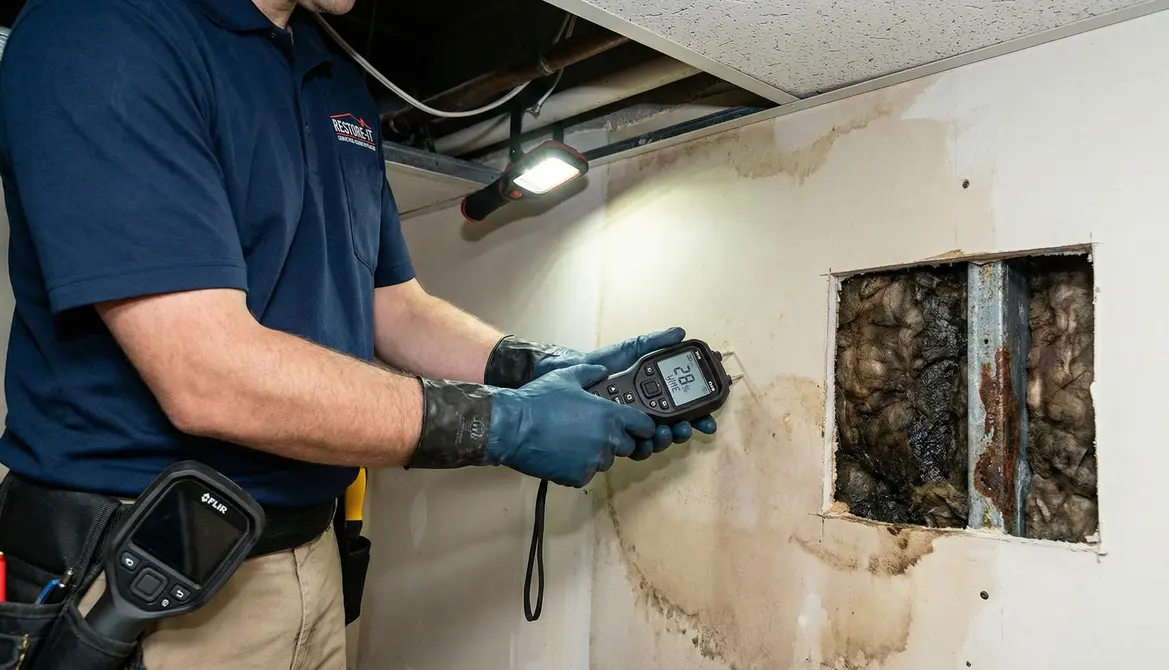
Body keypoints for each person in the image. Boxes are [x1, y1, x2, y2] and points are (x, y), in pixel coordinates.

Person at [0, 0, 718, 667]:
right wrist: (505, 424)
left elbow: (393, 308)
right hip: (152, 573)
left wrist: (537, 369)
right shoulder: (103, 28)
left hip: (310, 548)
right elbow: (207, 375)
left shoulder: (333, 78)